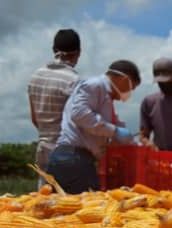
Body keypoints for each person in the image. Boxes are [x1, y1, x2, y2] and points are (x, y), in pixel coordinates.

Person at [48, 60, 141, 194]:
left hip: (80, 159)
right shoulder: (95, 85)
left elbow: (112, 125)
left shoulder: (106, 97)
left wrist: (135, 141)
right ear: (123, 79)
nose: (128, 94)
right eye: (131, 88)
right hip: (73, 159)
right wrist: (114, 131)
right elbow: (79, 114)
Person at [27, 29, 82, 190]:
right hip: (66, 152)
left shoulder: (36, 77)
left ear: (54, 50)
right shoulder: (74, 80)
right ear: (78, 53)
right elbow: (77, 122)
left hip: (43, 148)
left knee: (45, 204)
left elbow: (35, 119)